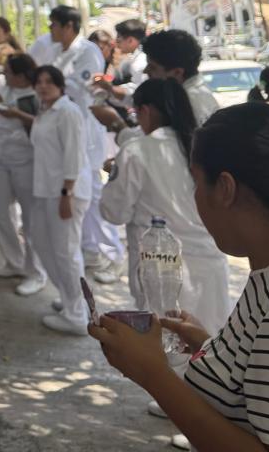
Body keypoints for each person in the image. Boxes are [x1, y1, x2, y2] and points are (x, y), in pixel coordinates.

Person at [90, 103, 269, 452]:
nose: (194, 196)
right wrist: (210, 347)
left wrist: (153, 374)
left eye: (196, 181)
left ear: (225, 189)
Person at [99, 79, 230, 332]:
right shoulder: (202, 148)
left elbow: (114, 212)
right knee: (209, 339)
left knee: (167, 342)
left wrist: (115, 175)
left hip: (160, 266)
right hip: (209, 261)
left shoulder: (137, 150)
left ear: (145, 111)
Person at [46, 6, 124, 280]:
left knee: (92, 196)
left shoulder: (87, 52)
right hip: (68, 130)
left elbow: (77, 89)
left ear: (69, 26)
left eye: (54, 24)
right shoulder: (60, 53)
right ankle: (92, 250)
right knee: (84, 198)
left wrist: (54, 85)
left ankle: (114, 254)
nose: (50, 30)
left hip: (86, 132)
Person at [26, 65, 94, 335]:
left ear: (60, 85)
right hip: (47, 190)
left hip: (66, 192)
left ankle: (77, 316)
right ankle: (70, 300)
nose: (43, 86)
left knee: (66, 253)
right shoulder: (45, 111)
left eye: (49, 81)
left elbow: (74, 156)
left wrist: (67, 193)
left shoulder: (68, 111)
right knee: (43, 245)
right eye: (39, 81)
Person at [0, 54, 48, 296]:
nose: (4, 74)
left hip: (27, 162)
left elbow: (45, 126)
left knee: (31, 220)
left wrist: (18, 115)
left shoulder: (38, 95)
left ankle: (36, 272)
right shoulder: (2, 85)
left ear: (21, 76)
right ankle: (14, 261)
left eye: (9, 71)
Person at [140, 30, 220, 126]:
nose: (145, 71)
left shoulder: (184, 105)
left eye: (152, 67)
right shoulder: (198, 91)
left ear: (177, 72)